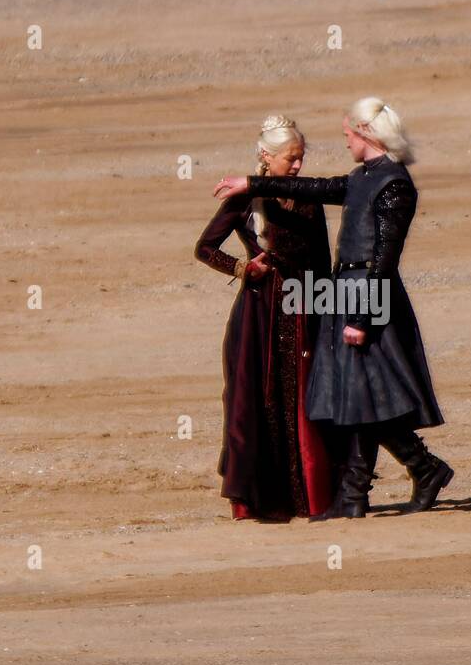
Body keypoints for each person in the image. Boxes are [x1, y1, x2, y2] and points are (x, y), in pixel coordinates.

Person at [213, 97, 452, 519]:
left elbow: (384, 259)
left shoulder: (394, 184)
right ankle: (367, 489)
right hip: (347, 291)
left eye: (347, 135)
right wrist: (252, 184)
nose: (344, 142)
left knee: (366, 394)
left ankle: (409, 472)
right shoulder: (362, 178)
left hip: (368, 296)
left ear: (365, 134)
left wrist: (361, 317)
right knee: (357, 394)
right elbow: (313, 188)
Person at [194, 115, 334, 521]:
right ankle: (261, 499)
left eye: (300, 158)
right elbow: (204, 248)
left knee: (304, 400)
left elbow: (323, 260)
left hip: (303, 306)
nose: (297, 166)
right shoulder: (242, 201)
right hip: (258, 313)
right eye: (290, 159)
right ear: (266, 158)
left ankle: (311, 496)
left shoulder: (308, 197)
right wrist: (242, 269)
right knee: (258, 398)